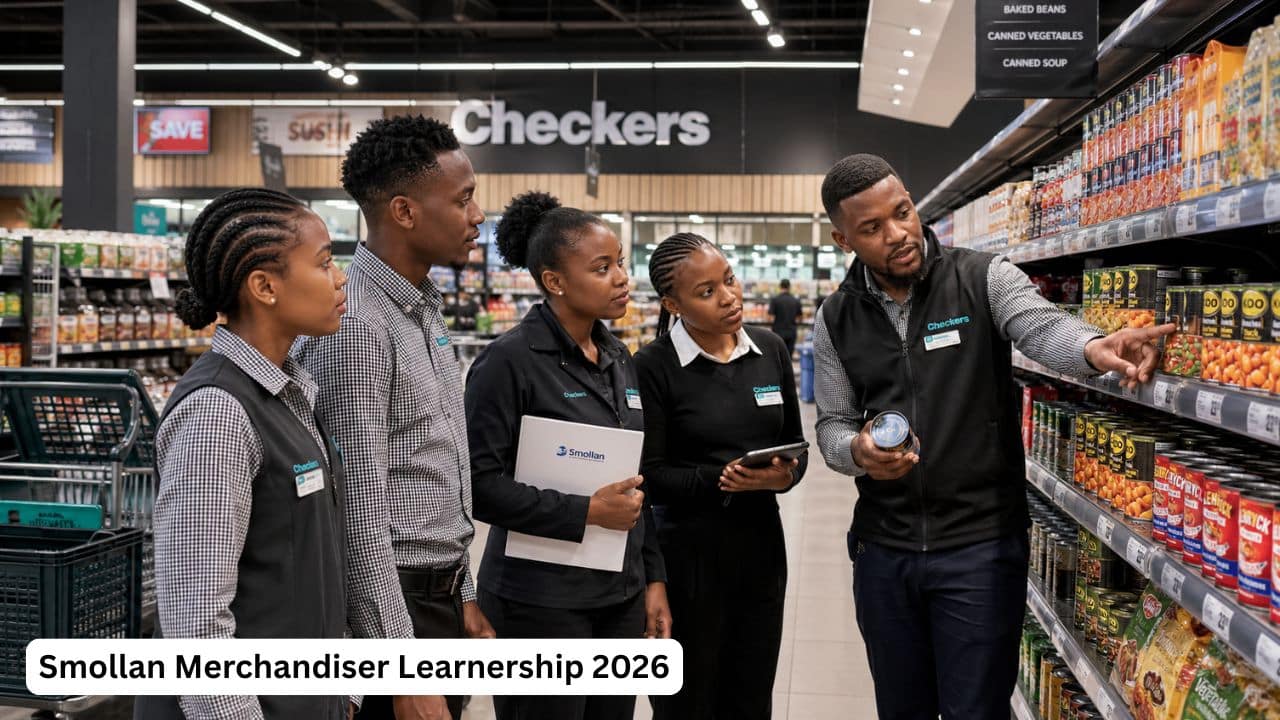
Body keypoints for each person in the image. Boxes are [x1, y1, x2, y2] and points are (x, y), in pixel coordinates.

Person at [813, 154, 1173, 720]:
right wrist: (856, 451)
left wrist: (1092, 347)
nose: (899, 233)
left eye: (903, 212)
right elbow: (832, 424)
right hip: (884, 550)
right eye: (873, 228)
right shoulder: (835, 318)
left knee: (977, 710)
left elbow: (1043, 327)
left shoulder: (983, 277)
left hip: (979, 547)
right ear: (843, 240)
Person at [295, 115, 494, 720]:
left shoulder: (423, 307)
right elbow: (357, 508)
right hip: (392, 603)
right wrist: (401, 667)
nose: (478, 215)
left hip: (438, 591)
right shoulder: (357, 326)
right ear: (404, 212)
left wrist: (463, 590)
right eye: (462, 200)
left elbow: (437, 463)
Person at [136, 188, 350, 720]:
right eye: (324, 262)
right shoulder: (218, 413)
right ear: (264, 287)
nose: (340, 278)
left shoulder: (289, 391)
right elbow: (197, 625)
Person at [464, 191, 670, 720]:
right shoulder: (508, 363)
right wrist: (586, 512)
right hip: (539, 601)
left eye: (619, 262)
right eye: (602, 268)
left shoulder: (618, 356)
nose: (621, 278)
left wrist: (652, 579)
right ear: (555, 281)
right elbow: (479, 485)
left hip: (619, 596)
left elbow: (634, 479)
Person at [635, 233, 807, 720]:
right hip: (688, 556)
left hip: (762, 549)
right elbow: (650, 475)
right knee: (689, 700)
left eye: (729, 280)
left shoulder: (770, 349)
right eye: (707, 292)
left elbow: (796, 446)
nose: (729, 297)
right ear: (673, 304)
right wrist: (725, 479)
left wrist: (781, 479)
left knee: (751, 693)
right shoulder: (653, 366)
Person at [767, 278, 803, 357]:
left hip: (778, 331)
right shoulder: (795, 300)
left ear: (780, 287)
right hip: (791, 331)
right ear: (789, 287)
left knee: (778, 356)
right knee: (789, 357)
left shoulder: (775, 300)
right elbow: (800, 318)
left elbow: (770, 317)